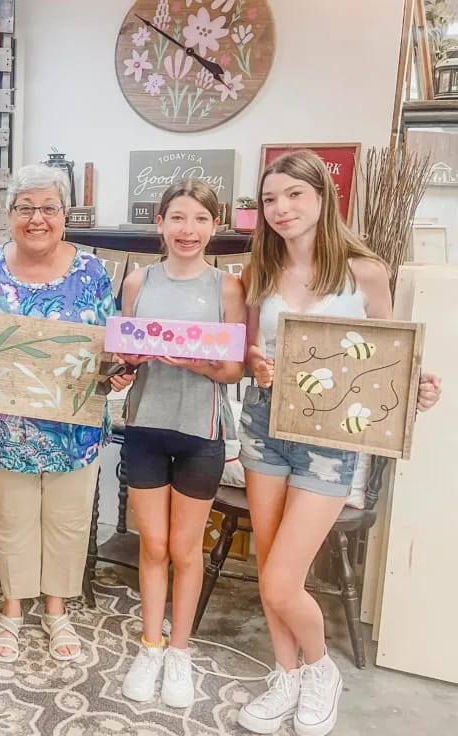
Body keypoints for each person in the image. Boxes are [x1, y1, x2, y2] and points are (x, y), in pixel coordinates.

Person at [236, 150, 442, 736]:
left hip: (329, 438)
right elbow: (250, 354)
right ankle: (285, 675)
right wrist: (256, 363)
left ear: (324, 197)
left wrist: (415, 386)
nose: (281, 209)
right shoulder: (261, 272)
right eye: (271, 199)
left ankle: (320, 670)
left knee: (282, 578)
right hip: (262, 427)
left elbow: (388, 354)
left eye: (293, 195)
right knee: (268, 571)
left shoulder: (365, 270)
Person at [0, 163, 131, 663]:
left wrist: (118, 368)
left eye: (49, 207)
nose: (37, 218)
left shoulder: (91, 271)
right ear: (10, 215)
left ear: (65, 215)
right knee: (13, 519)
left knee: (68, 522)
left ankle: (56, 611)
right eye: (26, 208)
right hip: (8, 426)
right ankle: (11, 609)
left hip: (76, 427)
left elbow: (112, 342)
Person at [116, 181, 246, 707]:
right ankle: (150, 645)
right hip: (146, 425)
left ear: (214, 226)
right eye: (176, 218)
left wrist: (188, 359)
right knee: (152, 546)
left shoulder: (227, 287)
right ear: (160, 224)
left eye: (198, 219)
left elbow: (233, 368)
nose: (186, 230)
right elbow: (122, 352)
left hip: (203, 431)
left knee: (186, 551)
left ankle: (179, 652)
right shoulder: (136, 281)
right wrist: (124, 366)